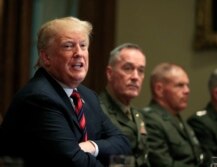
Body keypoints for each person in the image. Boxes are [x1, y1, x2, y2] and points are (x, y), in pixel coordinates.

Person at [0, 17, 131, 167]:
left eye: (83, 45)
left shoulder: (88, 96)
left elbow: (123, 143)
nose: (79, 53)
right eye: (68, 46)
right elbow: (73, 161)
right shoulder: (39, 98)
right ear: (46, 57)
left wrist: (91, 146)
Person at [142, 62, 205, 167]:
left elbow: (198, 159)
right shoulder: (150, 120)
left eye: (187, 85)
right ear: (159, 89)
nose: (187, 91)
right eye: (180, 85)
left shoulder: (178, 119)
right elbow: (163, 164)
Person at [99, 43, 150, 167]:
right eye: (128, 68)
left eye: (141, 70)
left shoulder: (137, 114)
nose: (135, 77)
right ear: (110, 73)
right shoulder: (97, 110)